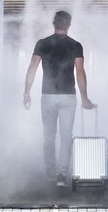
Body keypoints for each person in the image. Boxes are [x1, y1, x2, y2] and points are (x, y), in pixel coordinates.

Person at [23, 10, 94, 187]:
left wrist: (26, 92)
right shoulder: (75, 45)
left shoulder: (42, 43)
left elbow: (32, 68)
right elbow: (80, 72)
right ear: (69, 25)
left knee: (48, 136)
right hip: (68, 97)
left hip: (47, 96)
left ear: (53, 23)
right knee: (65, 137)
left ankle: (50, 173)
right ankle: (61, 175)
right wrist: (85, 97)